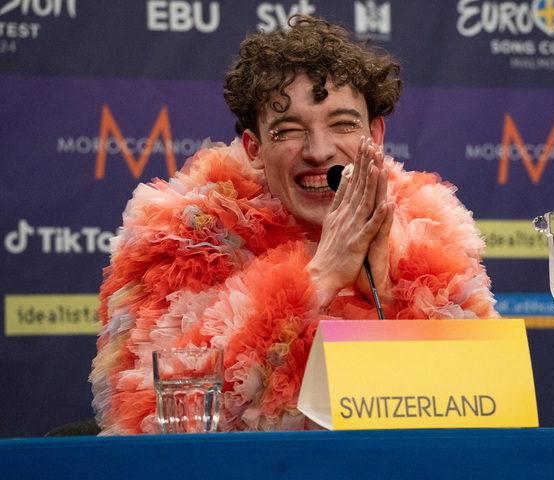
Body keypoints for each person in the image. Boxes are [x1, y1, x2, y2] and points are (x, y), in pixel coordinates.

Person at [90, 14, 498, 435]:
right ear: (254, 148)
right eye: (288, 130)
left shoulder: (429, 226)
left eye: (343, 124)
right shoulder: (185, 235)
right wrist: (319, 277)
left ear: (375, 135)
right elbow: (150, 425)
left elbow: (484, 405)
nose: (319, 151)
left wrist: (389, 295)